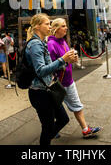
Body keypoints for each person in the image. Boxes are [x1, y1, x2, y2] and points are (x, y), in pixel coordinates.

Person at [25, 13, 77, 146]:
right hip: (40, 93)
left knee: (63, 119)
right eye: (47, 24)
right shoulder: (36, 44)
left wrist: (66, 61)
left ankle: (46, 138)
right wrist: (63, 59)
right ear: (37, 26)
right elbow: (41, 71)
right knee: (47, 127)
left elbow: (49, 68)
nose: (50, 26)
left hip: (48, 90)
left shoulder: (42, 42)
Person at [48, 18, 102, 138]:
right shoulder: (51, 45)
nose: (66, 28)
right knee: (55, 109)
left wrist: (73, 58)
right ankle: (53, 129)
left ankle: (85, 129)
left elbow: (67, 59)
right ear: (56, 29)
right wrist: (66, 61)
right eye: (63, 26)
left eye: (66, 25)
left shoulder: (63, 41)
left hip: (68, 81)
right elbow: (51, 67)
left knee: (77, 105)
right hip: (58, 84)